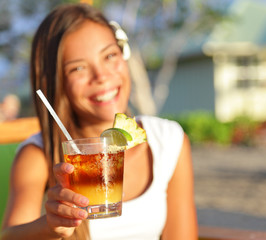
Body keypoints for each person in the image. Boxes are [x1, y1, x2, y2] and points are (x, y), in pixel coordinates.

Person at [1, 3, 198, 240]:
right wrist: (49, 227)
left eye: (110, 55)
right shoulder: (38, 155)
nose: (102, 76)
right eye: (79, 68)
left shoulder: (168, 140)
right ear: (57, 81)